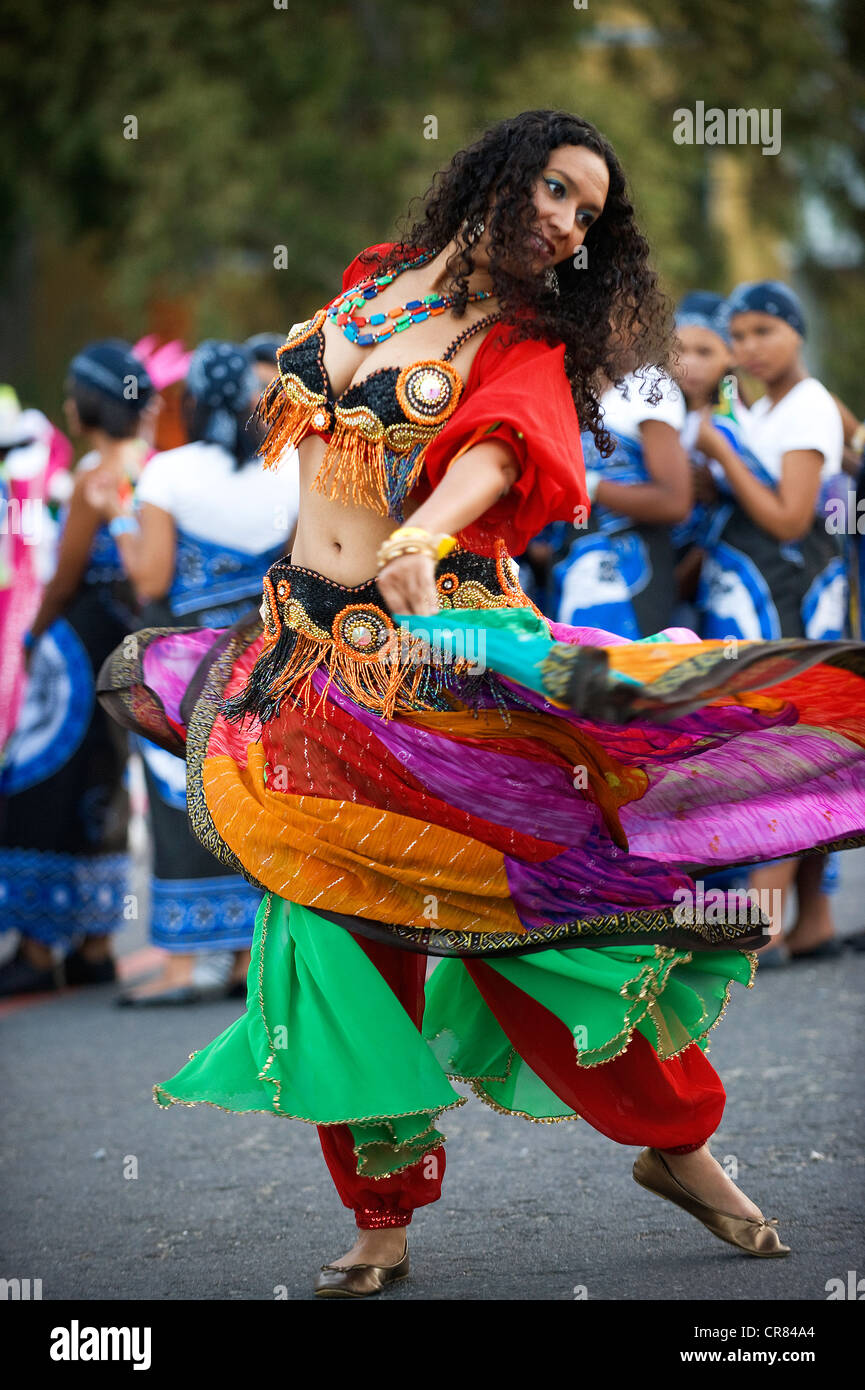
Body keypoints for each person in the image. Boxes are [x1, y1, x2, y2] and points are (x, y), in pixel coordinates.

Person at [98, 111, 865, 1296]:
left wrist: (418, 530)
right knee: (326, 924)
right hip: (303, 648)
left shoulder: (526, 339)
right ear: (499, 178)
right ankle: (380, 1217)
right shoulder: (368, 285)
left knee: (524, 924)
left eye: (586, 215)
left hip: (437, 655)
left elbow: (503, 451)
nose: (565, 223)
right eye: (556, 190)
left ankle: (678, 1142)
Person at [85, 341, 299, 1004]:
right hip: (263, 657)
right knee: (254, 794)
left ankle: (181, 967)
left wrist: (117, 508)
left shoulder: (168, 474)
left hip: (186, 662)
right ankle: (247, 959)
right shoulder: (285, 467)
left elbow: (150, 576)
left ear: (194, 402)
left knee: (182, 798)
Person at [694, 282, 848, 963]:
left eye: (764, 332)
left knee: (781, 756)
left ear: (795, 333)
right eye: (740, 336)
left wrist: (721, 454)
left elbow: (789, 515)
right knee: (793, 753)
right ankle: (811, 921)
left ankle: (765, 923)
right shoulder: (763, 407)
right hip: (759, 598)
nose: (749, 348)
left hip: (792, 601)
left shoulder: (806, 408)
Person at [0, 342, 154, 996]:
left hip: (77, 652)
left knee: (43, 785)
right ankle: (94, 946)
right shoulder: (153, 466)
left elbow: (62, 580)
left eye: (71, 393)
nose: (64, 405)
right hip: (129, 651)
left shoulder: (96, 476)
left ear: (90, 405)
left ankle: (38, 951)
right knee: (105, 787)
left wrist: (30, 639)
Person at [551, 359, 692, 639]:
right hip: (571, 566)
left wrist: (591, 486)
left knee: (629, 673)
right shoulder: (562, 379)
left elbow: (675, 501)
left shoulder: (648, 384)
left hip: (633, 576)